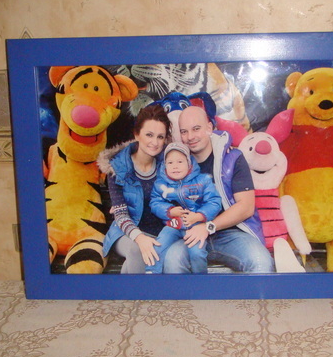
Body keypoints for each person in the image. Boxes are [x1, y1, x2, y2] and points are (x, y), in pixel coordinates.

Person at [162, 106, 275, 273]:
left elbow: (246, 207)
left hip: (231, 233)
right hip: (191, 234)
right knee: (172, 259)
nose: (190, 137)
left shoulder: (232, 157)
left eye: (196, 129)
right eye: (184, 131)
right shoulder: (176, 162)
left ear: (209, 128)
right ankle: (191, 292)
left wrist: (208, 227)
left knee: (261, 261)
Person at [97, 104, 171, 273]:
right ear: (137, 134)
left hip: (160, 232)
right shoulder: (118, 166)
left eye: (160, 137)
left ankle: (126, 288)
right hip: (126, 232)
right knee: (136, 251)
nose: (155, 142)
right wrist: (139, 237)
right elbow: (121, 214)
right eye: (149, 135)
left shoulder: (168, 164)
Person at [148, 142, 222, 274]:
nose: (175, 166)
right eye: (170, 163)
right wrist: (169, 211)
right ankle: (151, 277)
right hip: (173, 225)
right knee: (158, 247)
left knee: (197, 253)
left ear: (189, 163)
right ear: (164, 165)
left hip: (196, 227)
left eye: (180, 162)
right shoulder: (161, 184)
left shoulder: (203, 180)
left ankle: (200, 281)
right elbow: (155, 203)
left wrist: (199, 216)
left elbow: (214, 202)